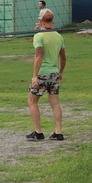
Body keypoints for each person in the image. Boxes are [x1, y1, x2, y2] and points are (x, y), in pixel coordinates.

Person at [27, 10, 66, 141]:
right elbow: (64, 58)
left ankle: (38, 132)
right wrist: (60, 72)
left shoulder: (39, 36)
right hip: (54, 73)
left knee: (32, 101)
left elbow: (39, 55)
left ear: (40, 21)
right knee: (55, 103)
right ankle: (58, 132)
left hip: (42, 74)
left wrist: (34, 76)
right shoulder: (59, 36)